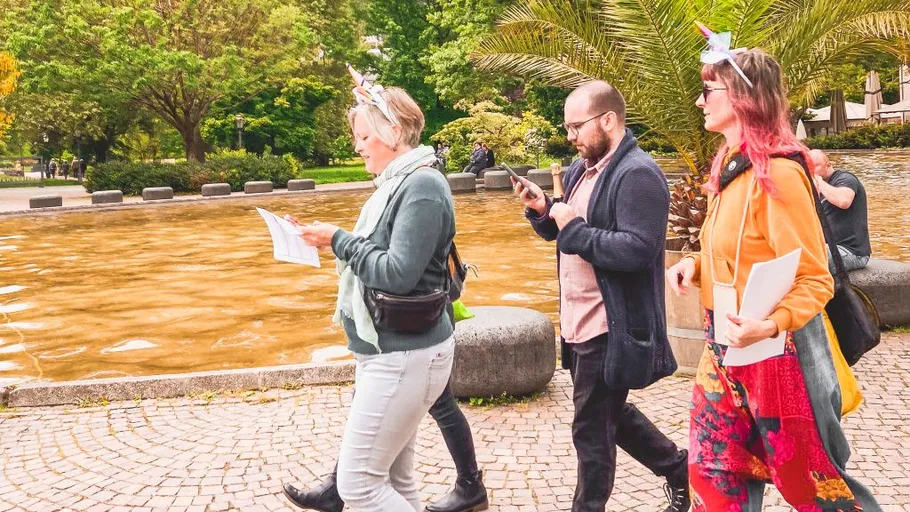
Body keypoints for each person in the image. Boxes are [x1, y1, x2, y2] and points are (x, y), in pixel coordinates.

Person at [665, 27, 882, 511]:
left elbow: (816, 278)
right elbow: (736, 250)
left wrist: (770, 324)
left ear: (740, 97)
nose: (699, 102)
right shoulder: (730, 166)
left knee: (812, 485)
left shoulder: (778, 174)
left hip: (778, 353)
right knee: (712, 470)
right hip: (724, 346)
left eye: (707, 91)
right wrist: (695, 266)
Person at [282, 67, 487, 512]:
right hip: (392, 351)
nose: (357, 147)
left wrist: (338, 239)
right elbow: (378, 254)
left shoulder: (422, 186)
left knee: (358, 485)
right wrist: (324, 238)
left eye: (363, 136)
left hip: (404, 355)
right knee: (394, 478)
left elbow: (397, 274)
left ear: (393, 133)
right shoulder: (398, 182)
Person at [512, 80, 689, 512]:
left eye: (576, 126)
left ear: (608, 120)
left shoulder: (639, 175)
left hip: (611, 326)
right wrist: (544, 210)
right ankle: (679, 468)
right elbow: (568, 231)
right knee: (610, 413)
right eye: (567, 127)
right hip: (577, 322)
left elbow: (638, 250)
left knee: (590, 430)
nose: (570, 136)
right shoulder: (580, 170)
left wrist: (573, 227)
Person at [808, 149, 871, 271]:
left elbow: (843, 201)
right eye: (808, 167)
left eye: (814, 166)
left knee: (807, 258)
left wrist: (818, 181)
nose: (810, 171)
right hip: (827, 247)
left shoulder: (846, 178)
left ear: (828, 165)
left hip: (851, 252)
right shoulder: (813, 188)